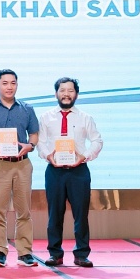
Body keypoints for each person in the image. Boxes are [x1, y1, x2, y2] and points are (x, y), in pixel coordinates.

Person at [0, 69, 40, 267]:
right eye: (5, 83)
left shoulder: (27, 109)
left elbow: (34, 135)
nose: (9, 87)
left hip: (22, 164)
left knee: (24, 211)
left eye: (13, 83)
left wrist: (30, 145)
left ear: (17, 85)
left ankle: (24, 252)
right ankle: (0, 251)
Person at [38, 77, 103, 268]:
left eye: (70, 90)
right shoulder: (45, 117)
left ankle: (81, 254)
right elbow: (40, 142)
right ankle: (55, 254)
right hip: (55, 171)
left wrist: (85, 156)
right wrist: (47, 155)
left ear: (76, 94)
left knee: (81, 215)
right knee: (54, 214)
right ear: (56, 93)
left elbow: (97, 141)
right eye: (62, 90)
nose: (66, 94)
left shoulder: (85, 118)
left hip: (79, 171)